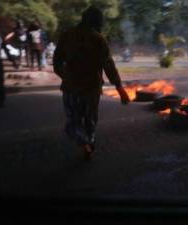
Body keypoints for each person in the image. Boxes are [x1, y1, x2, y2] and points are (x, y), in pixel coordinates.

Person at [53, 6, 130, 160]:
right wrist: (120, 89)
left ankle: (84, 142)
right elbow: (108, 65)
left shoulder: (67, 35)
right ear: (96, 21)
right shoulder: (98, 39)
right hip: (91, 89)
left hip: (71, 89)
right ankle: (89, 142)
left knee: (73, 122)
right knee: (90, 120)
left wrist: (66, 76)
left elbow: (56, 62)